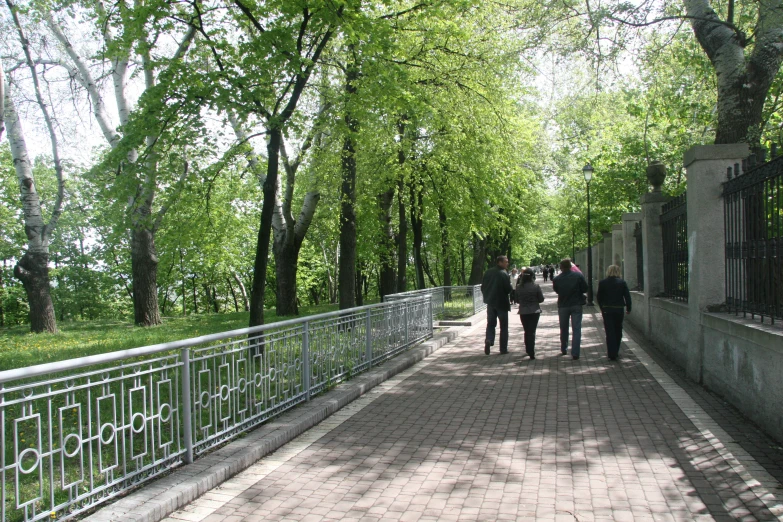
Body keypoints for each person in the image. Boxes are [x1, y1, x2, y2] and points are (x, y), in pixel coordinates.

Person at [552, 258, 588, 359]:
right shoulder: (578, 276)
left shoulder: (557, 279)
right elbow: (585, 288)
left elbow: (557, 290)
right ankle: (575, 353)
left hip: (563, 305)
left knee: (563, 328)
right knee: (576, 329)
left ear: (561, 267)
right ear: (570, 266)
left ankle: (564, 348)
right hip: (576, 304)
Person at [596, 264, 632, 360]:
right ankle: (616, 350)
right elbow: (627, 297)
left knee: (609, 331)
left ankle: (611, 352)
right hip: (618, 308)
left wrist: (601, 307)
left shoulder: (603, 282)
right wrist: (628, 308)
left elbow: (599, 297)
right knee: (618, 329)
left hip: (607, 309)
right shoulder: (622, 282)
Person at [481, 255, 513, 355]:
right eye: (505, 262)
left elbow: (483, 287)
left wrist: (487, 297)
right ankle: (503, 349)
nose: (507, 263)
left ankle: (489, 339)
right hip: (502, 303)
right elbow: (508, 289)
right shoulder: (504, 273)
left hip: (490, 303)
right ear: (499, 262)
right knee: (503, 327)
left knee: (490, 324)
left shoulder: (488, 272)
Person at [516, 268, 544, 359]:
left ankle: (528, 349)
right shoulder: (536, 286)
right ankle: (531, 350)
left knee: (526, 330)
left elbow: (516, 300)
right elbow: (541, 299)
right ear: (532, 276)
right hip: (534, 311)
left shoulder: (519, 287)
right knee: (532, 331)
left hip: (523, 311)